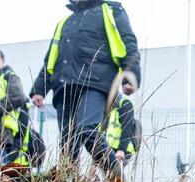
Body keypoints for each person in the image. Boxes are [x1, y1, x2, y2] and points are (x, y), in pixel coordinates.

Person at [29, 0, 140, 172]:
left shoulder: (111, 10)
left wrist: (131, 75)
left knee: (87, 129)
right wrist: (39, 89)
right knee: (68, 144)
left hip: (95, 83)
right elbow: (51, 57)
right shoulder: (64, 23)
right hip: (63, 88)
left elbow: (128, 42)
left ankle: (117, 180)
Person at [104, 78, 139, 178]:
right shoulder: (108, 107)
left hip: (120, 150)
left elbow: (127, 128)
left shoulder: (124, 104)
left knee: (114, 177)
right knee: (110, 178)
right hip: (108, 149)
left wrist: (121, 150)